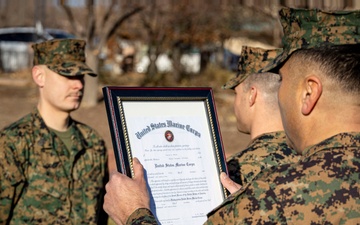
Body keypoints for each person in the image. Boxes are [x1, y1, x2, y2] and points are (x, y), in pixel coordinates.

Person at [103, 7, 360, 225]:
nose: (279, 96)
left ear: (308, 93)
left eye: (283, 82)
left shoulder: (270, 198)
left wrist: (134, 214)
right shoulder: (265, 199)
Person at [0, 39, 108, 224]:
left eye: (81, 76)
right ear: (39, 76)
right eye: (68, 75)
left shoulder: (93, 143)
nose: (79, 85)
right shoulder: (13, 143)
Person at [223, 46, 299, 188]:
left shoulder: (232, 174)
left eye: (236, 93)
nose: (235, 102)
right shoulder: (312, 159)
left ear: (252, 95)